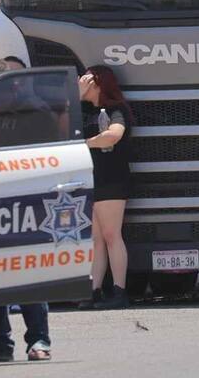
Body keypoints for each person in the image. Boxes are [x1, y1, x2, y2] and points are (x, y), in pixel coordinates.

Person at [0, 57, 54, 363]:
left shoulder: (35, 113)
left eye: (4, 89)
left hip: (28, 204)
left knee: (30, 272)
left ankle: (39, 340)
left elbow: (52, 154)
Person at [78, 65, 133, 310]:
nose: (81, 80)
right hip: (91, 180)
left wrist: (87, 143)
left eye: (86, 77)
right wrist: (78, 95)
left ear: (97, 82)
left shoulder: (115, 109)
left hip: (111, 179)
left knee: (111, 235)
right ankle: (94, 290)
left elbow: (113, 135)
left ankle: (120, 291)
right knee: (96, 238)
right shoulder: (84, 110)